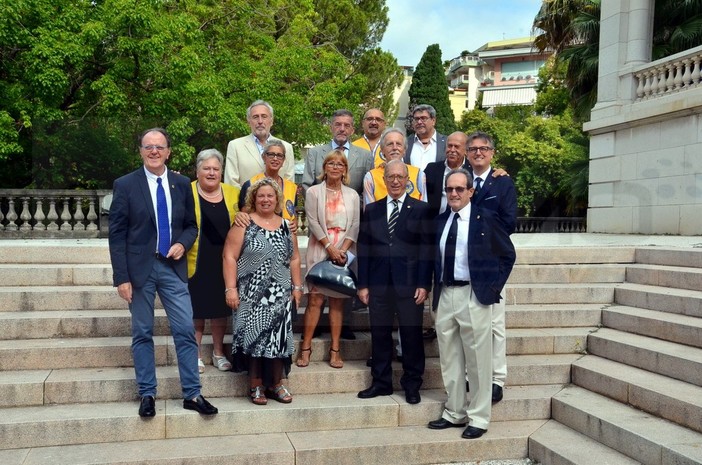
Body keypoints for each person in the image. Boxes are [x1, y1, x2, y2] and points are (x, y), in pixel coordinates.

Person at [108, 127, 218, 417]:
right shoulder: (126, 184)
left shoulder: (182, 184)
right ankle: (147, 393)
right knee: (142, 332)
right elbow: (116, 235)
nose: (154, 151)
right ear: (141, 151)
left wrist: (183, 244)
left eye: (159, 146)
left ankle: (192, 394)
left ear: (169, 151)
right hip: (139, 269)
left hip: (172, 268)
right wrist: (121, 277)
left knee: (184, 329)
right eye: (148, 147)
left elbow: (192, 226)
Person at [427, 168, 515, 439]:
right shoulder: (441, 221)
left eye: (459, 189)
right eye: (449, 189)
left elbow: (507, 255)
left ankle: (478, 416)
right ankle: (454, 412)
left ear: (470, 191)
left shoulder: (486, 218)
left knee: (477, 361)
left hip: (473, 296)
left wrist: (492, 287)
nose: (453, 193)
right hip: (445, 296)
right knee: (450, 358)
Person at [356, 160, 434, 405]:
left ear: (407, 180)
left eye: (401, 177)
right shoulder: (373, 210)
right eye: (392, 177)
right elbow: (364, 249)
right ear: (385, 179)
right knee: (379, 335)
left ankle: (412, 385)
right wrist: (363, 284)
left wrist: (424, 284)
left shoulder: (421, 209)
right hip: (378, 285)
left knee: (411, 336)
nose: (396, 181)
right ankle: (381, 383)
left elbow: (426, 250)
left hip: (410, 286)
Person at [222, 178, 303, 405]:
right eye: (261, 196)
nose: (266, 200)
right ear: (253, 199)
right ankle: (256, 386)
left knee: (278, 341)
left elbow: (295, 258)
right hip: (250, 294)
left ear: (277, 199)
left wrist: (297, 286)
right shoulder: (243, 224)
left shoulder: (288, 226)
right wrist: (231, 289)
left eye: (270, 196)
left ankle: (277, 384)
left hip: (280, 294)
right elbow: (229, 256)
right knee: (254, 340)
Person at [465, 131, 517, 404]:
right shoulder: (461, 181)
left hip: (492, 261)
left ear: (492, 152)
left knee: (495, 324)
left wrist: (482, 228)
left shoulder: (502, 183)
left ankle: (497, 378)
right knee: (469, 323)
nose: (478, 153)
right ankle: (469, 374)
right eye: (473, 149)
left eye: (483, 149)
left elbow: (509, 222)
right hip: (464, 262)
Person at [296, 150, 360, 369]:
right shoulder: (314, 192)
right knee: (315, 299)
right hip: (320, 246)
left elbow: (355, 225)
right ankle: (306, 347)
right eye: (331, 163)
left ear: (345, 170)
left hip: (344, 250)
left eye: (340, 164)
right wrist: (329, 247)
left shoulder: (352, 194)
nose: (335, 167)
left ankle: (335, 350)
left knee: (337, 301)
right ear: (324, 168)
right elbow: (312, 221)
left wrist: (341, 249)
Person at [187, 149, 239, 373]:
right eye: (206, 168)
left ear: (221, 171)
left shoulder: (233, 193)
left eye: (215, 169)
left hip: (224, 259)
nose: (211, 172)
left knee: (220, 309)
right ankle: (195, 353)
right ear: (197, 170)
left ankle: (218, 352)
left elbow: (246, 216)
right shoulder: (185, 190)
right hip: (195, 257)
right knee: (196, 309)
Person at [224, 100, 295, 188]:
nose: (260, 121)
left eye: (264, 116)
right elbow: (231, 184)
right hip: (244, 201)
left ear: (271, 121)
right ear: (249, 121)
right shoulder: (235, 146)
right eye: (255, 117)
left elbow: (289, 184)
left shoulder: (286, 147)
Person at [302, 109, 373, 196]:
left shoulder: (366, 156)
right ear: (330, 128)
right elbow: (307, 186)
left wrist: (353, 205)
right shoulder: (314, 153)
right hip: (321, 207)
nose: (342, 129)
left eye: (347, 125)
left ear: (352, 130)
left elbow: (368, 190)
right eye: (338, 125)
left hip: (355, 208)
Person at [238, 140, 298, 223]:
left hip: (285, 233)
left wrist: (294, 225)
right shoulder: (250, 184)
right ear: (263, 157)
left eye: (279, 155)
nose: (275, 158)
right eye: (271, 154)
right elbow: (243, 216)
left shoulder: (292, 187)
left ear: (283, 160)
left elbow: (293, 214)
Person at [363, 128, 426, 207]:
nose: (395, 148)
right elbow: (370, 213)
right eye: (390, 144)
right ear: (382, 150)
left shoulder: (418, 175)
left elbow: (423, 210)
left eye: (399, 144)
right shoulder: (371, 177)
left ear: (404, 150)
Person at [403, 104, 447, 171]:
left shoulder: (446, 143)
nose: (419, 122)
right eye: (416, 119)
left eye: (423, 118)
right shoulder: (405, 143)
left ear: (433, 121)